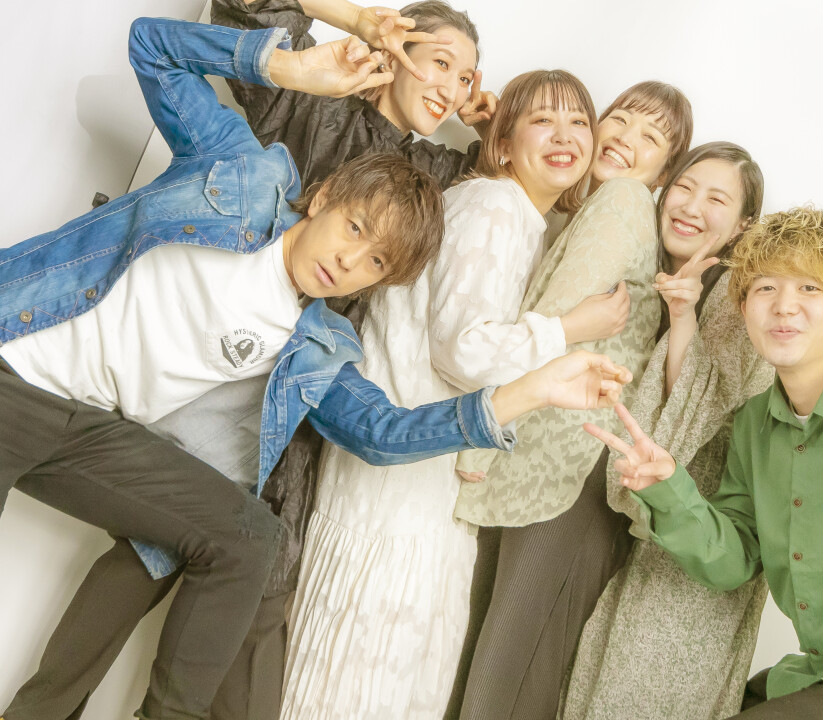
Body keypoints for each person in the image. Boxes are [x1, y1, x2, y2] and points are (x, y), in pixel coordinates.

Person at [0, 17, 631, 720]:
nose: (348, 262)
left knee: (250, 542)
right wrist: (296, 67)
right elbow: (153, 46)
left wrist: (530, 389)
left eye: (376, 262)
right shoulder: (244, 174)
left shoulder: (314, 343)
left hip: (94, 430)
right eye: (354, 230)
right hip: (13, 370)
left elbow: (383, 430)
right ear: (324, 198)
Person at [279, 68, 629, 719]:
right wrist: (569, 329)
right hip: (397, 478)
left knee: (394, 681)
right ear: (504, 145)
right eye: (543, 120)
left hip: (428, 480)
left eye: (578, 121)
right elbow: (464, 350)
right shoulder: (494, 206)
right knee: (356, 681)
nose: (564, 135)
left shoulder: (523, 220)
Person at [585, 206, 823, 719]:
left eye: (810, 288)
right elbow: (733, 560)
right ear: (743, 308)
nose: (784, 306)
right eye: (766, 288)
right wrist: (668, 487)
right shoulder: (754, 425)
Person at [446, 81, 694, 720]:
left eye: (650, 138)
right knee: (506, 664)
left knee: (504, 670)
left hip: (564, 468)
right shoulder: (600, 206)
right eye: (620, 119)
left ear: (664, 170)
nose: (625, 139)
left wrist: (482, 435)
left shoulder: (622, 199)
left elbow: (556, 311)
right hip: (550, 465)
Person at [561, 142, 774, 720]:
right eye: (685, 186)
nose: (692, 206)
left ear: (743, 224)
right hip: (659, 529)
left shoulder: (739, 293)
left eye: (717, 199)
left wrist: (683, 316)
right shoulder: (668, 272)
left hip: (701, 549)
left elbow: (691, 412)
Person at [212, 0, 495, 191]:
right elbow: (246, 8)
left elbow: (506, 169)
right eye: (442, 63)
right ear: (391, 57)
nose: (451, 93)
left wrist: (490, 129)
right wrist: (354, 17)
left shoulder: (427, 172)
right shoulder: (309, 98)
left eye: (464, 79)